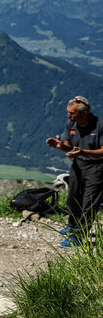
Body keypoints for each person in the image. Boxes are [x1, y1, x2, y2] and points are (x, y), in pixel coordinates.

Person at [46, 96, 103, 247]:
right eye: (68, 112)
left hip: (97, 167)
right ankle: (73, 225)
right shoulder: (72, 124)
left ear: (83, 114)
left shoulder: (100, 125)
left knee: (89, 203)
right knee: (73, 198)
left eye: (72, 113)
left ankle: (78, 236)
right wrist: (59, 146)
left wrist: (84, 152)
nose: (68, 116)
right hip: (78, 165)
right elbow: (68, 145)